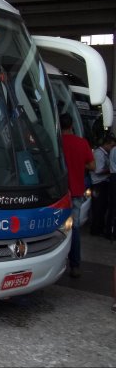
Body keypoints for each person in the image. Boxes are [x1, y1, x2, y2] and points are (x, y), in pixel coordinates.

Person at [60, 113, 95, 278]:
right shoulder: (82, 143)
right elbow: (93, 166)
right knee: (74, 229)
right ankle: (75, 265)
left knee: (56, 229)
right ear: (72, 125)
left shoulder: (57, 143)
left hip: (59, 194)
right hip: (76, 192)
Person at [90, 135, 115, 237]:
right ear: (106, 144)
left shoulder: (105, 154)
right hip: (98, 184)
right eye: (111, 146)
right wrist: (111, 171)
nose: (112, 148)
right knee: (98, 208)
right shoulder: (99, 154)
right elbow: (98, 171)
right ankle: (96, 229)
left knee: (103, 207)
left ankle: (100, 228)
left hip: (104, 182)